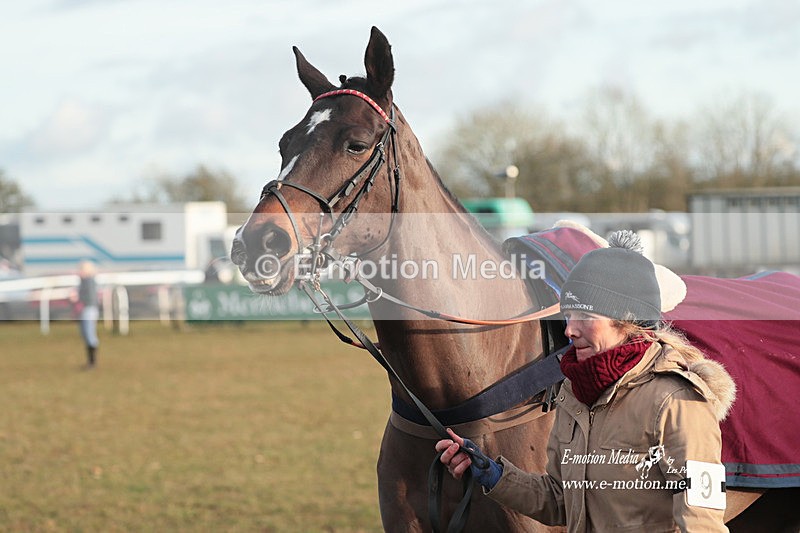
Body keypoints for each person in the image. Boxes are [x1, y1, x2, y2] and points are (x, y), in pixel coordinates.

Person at [436, 230, 736, 532]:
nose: (570, 330)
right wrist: (494, 475)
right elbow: (559, 501)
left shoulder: (677, 402)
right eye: (569, 314)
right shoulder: (574, 393)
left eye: (585, 315)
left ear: (627, 321)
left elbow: (702, 523)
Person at [74, 260, 100, 367]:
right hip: (87, 309)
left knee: (89, 334)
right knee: (86, 334)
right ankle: (90, 361)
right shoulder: (86, 281)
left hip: (89, 310)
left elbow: (88, 297)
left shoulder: (88, 282)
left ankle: (92, 362)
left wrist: (77, 298)